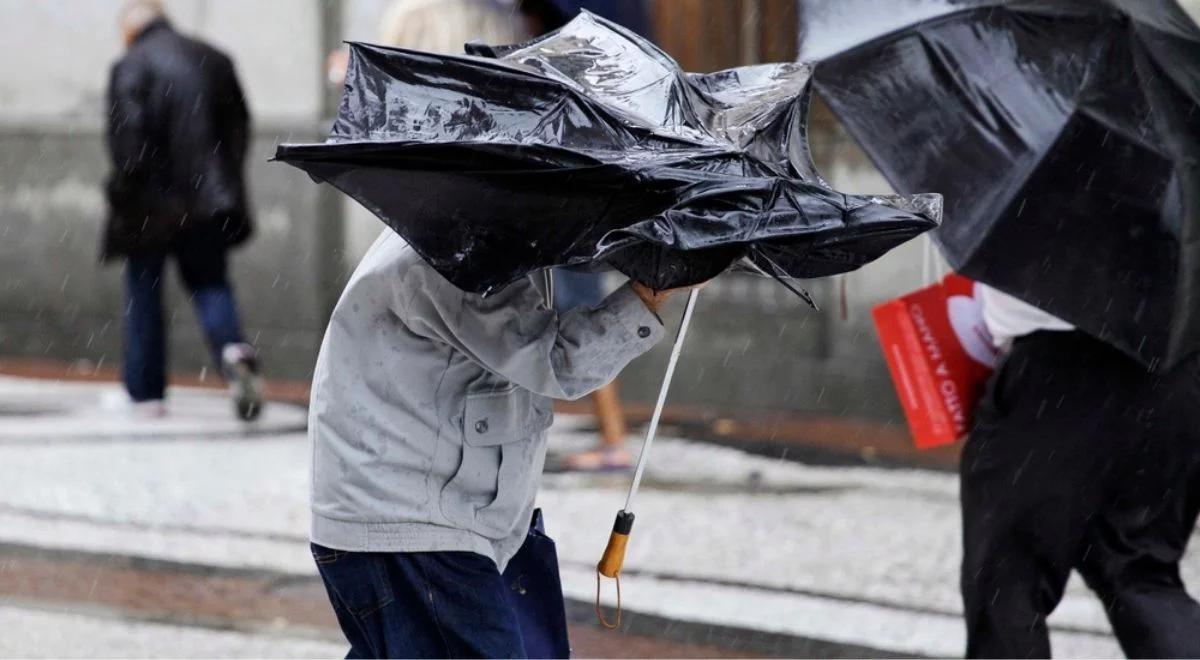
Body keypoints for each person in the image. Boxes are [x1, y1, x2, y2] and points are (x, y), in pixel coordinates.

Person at [308, 231, 680, 658]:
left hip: (429, 521)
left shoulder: (471, 234)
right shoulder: (453, 254)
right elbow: (557, 360)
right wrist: (650, 293)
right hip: (413, 529)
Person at [960, 285, 1200, 658]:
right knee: (1140, 571)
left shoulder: (1046, 231)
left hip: (1060, 370)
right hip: (1175, 367)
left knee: (1007, 580)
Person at [104, 0, 262, 420]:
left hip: (151, 204)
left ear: (129, 28)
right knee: (211, 283)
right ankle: (233, 350)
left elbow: (128, 141)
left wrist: (123, 191)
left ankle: (145, 393)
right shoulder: (214, 58)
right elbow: (240, 127)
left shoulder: (133, 64)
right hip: (207, 200)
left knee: (144, 293)